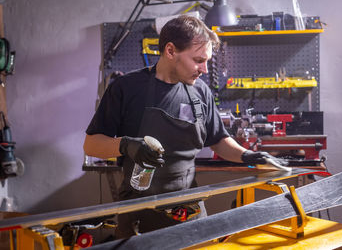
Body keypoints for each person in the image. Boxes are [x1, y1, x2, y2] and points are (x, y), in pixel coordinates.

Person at [83, 15, 288, 238]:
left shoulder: (200, 92)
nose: (205, 69)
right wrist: (125, 145)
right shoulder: (126, 88)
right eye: (199, 60)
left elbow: (218, 140)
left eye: (207, 61)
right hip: (139, 210)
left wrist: (249, 156)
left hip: (189, 208)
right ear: (171, 51)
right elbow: (91, 145)